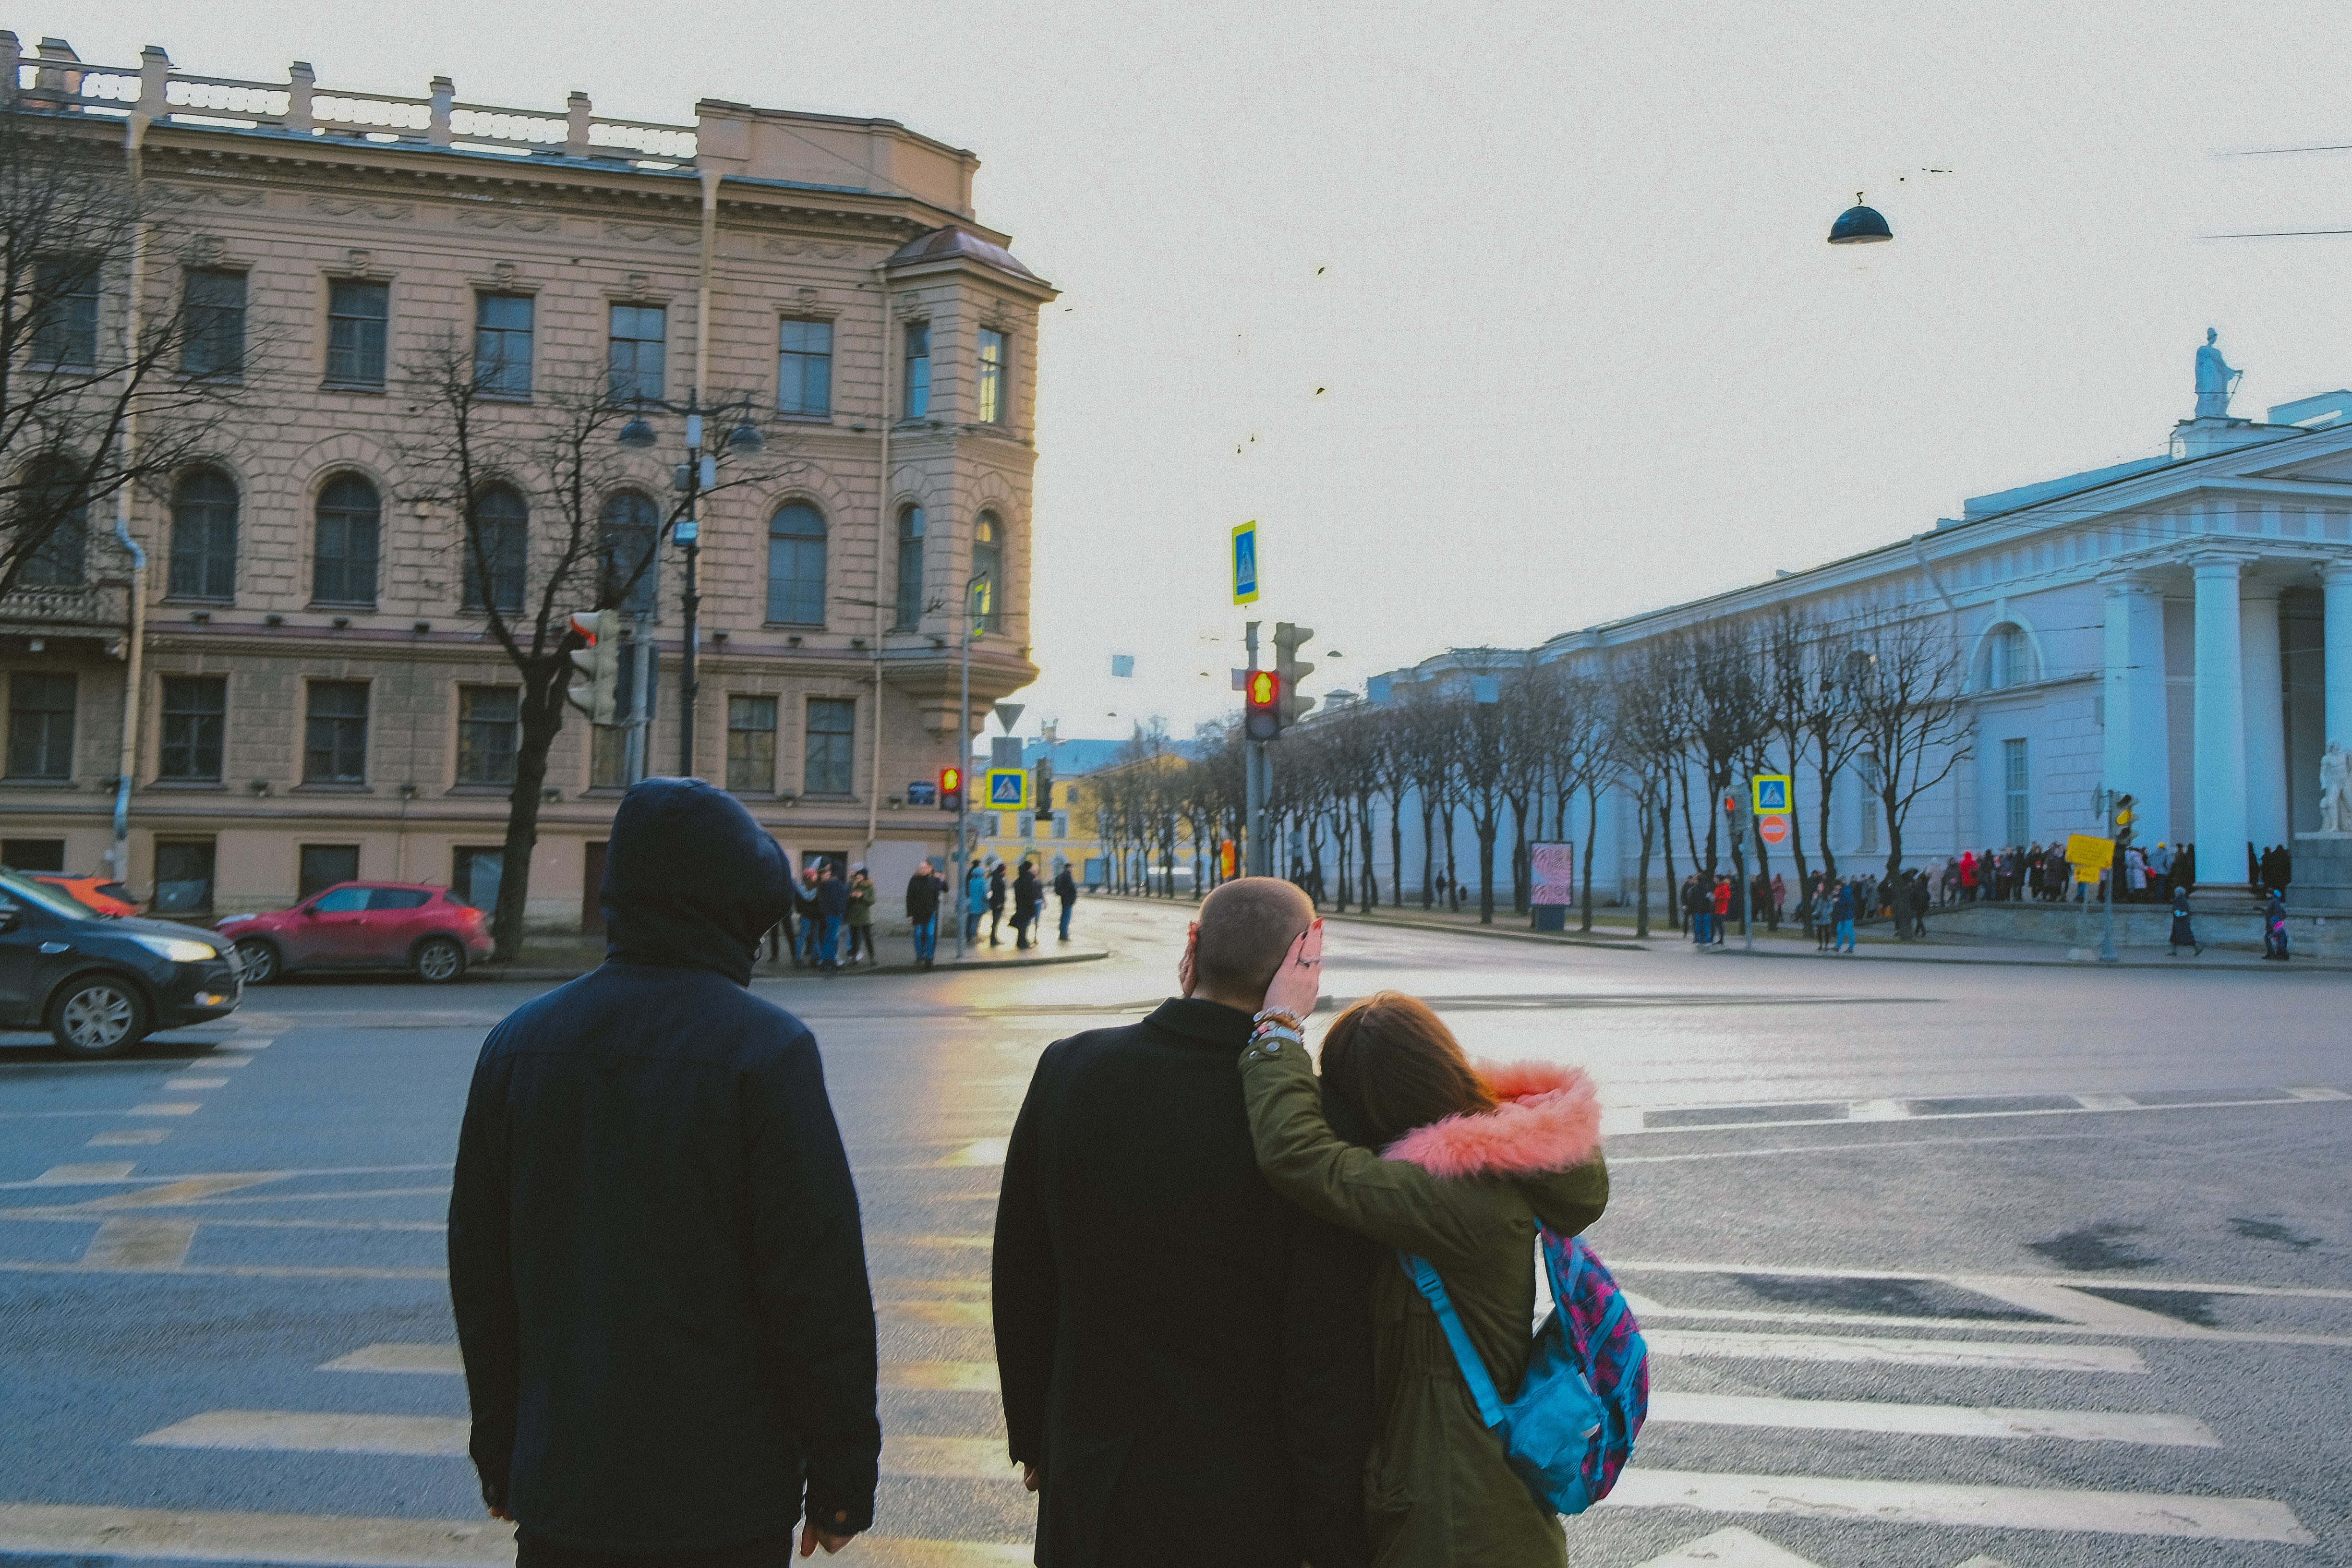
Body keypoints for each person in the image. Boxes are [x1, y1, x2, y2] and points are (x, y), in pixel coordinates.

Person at [449, 777, 879, 1565]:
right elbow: (817, 1292)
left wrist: (502, 1453)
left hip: (564, 1485)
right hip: (721, 1497)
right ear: (735, 910)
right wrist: (840, 1479)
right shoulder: (766, 1050)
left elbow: (484, 1286)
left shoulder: (516, 1046)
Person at [993, 879, 1376, 1568]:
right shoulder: (1316, 1126)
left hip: (1093, 1487)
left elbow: (1023, 1275)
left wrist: (1035, 1436)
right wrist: (1331, 1533)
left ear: (1192, 946)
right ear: (1305, 963)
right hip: (1248, 1506)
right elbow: (1326, 1351)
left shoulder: (1070, 1069)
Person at [1237, 953, 1608, 1568]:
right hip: (1493, 1505)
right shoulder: (1495, 1164)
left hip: (1455, 1516)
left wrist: (1277, 1028)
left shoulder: (1451, 1192)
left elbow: (1301, 1156)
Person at [906, 860, 942, 968]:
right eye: (921, 868)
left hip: (930, 913)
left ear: (928, 869)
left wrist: (934, 908)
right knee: (918, 934)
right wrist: (910, 914)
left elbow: (937, 895)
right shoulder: (914, 880)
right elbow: (909, 898)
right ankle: (920, 955)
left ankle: (929, 957)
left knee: (930, 934)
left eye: (925, 868)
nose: (923, 870)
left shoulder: (933, 880)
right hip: (917, 913)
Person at [816, 862, 849, 973]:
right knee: (831, 938)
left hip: (831, 914)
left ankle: (829, 960)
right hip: (835, 915)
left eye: (829, 870)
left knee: (830, 937)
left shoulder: (831, 884)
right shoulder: (837, 884)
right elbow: (838, 901)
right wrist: (841, 913)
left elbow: (828, 901)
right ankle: (827, 961)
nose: (827, 872)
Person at [844, 866, 876, 967]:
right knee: (854, 938)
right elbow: (846, 899)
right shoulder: (853, 885)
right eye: (858, 875)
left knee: (868, 938)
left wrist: (862, 896)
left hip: (864, 916)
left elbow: (872, 901)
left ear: (865, 876)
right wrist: (852, 896)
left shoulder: (869, 886)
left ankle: (872, 957)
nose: (859, 877)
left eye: (861, 875)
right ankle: (854, 958)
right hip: (853, 916)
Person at [1010, 861, 1042, 950]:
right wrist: (1032, 903)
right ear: (1029, 868)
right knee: (1024, 924)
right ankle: (1023, 943)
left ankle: (1020, 941)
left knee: (1022, 924)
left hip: (1020, 905)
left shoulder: (1020, 878)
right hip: (1028, 905)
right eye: (1032, 868)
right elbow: (1030, 893)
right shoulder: (1028, 879)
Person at [1053, 861, 1079, 942]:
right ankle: (1064, 935)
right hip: (1068, 899)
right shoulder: (1067, 875)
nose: (1072, 869)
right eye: (1071, 868)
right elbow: (1071, 887)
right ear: (1069, 868)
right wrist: (1073, 896)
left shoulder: (1062, 875)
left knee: (1064, 916)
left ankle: (1063, 933)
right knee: (1066, 917)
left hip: (1064, 899)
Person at [2264, 886, 2291, 961]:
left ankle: (2277, 954)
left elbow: (2272, 913)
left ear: (2269, 894)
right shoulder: (2276, 901)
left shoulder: (2273, 902)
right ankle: (2280, 954)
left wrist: (2274, 922)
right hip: (2276, 923)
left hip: (2274, 923)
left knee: (2272, 938)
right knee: (2279, 938)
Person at [965, 861, 987, 946]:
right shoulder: (981, 881)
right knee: (976, 921)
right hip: (979, 904)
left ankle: (969, 936)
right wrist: (988, 899)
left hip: (971, 903)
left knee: (970, 920)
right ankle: (974, 937)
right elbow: (983, 893)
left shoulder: (971, 881)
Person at [1833, 878, 1857, 953]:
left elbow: (1849, 902)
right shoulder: (1842, 891)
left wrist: (1838, 901)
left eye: (1836, 886)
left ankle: (1851, 947)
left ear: (1839, 885)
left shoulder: (1846, 892)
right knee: (1840, 930)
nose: (1836, 888)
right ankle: (1838, 946)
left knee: (1849, 931)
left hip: (1847, 915)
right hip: (1842, 915)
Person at [988, 862, 1008, 948]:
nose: (1006, 871)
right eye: (1005, 870)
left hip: (996, 903)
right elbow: (997, 892)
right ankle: (993, 940)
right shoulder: (998, 879)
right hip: (997, 903)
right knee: (996, 921)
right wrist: (999, 903)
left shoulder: (997, 877)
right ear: (1002, 870)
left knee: (996, 921)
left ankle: (994, 938)